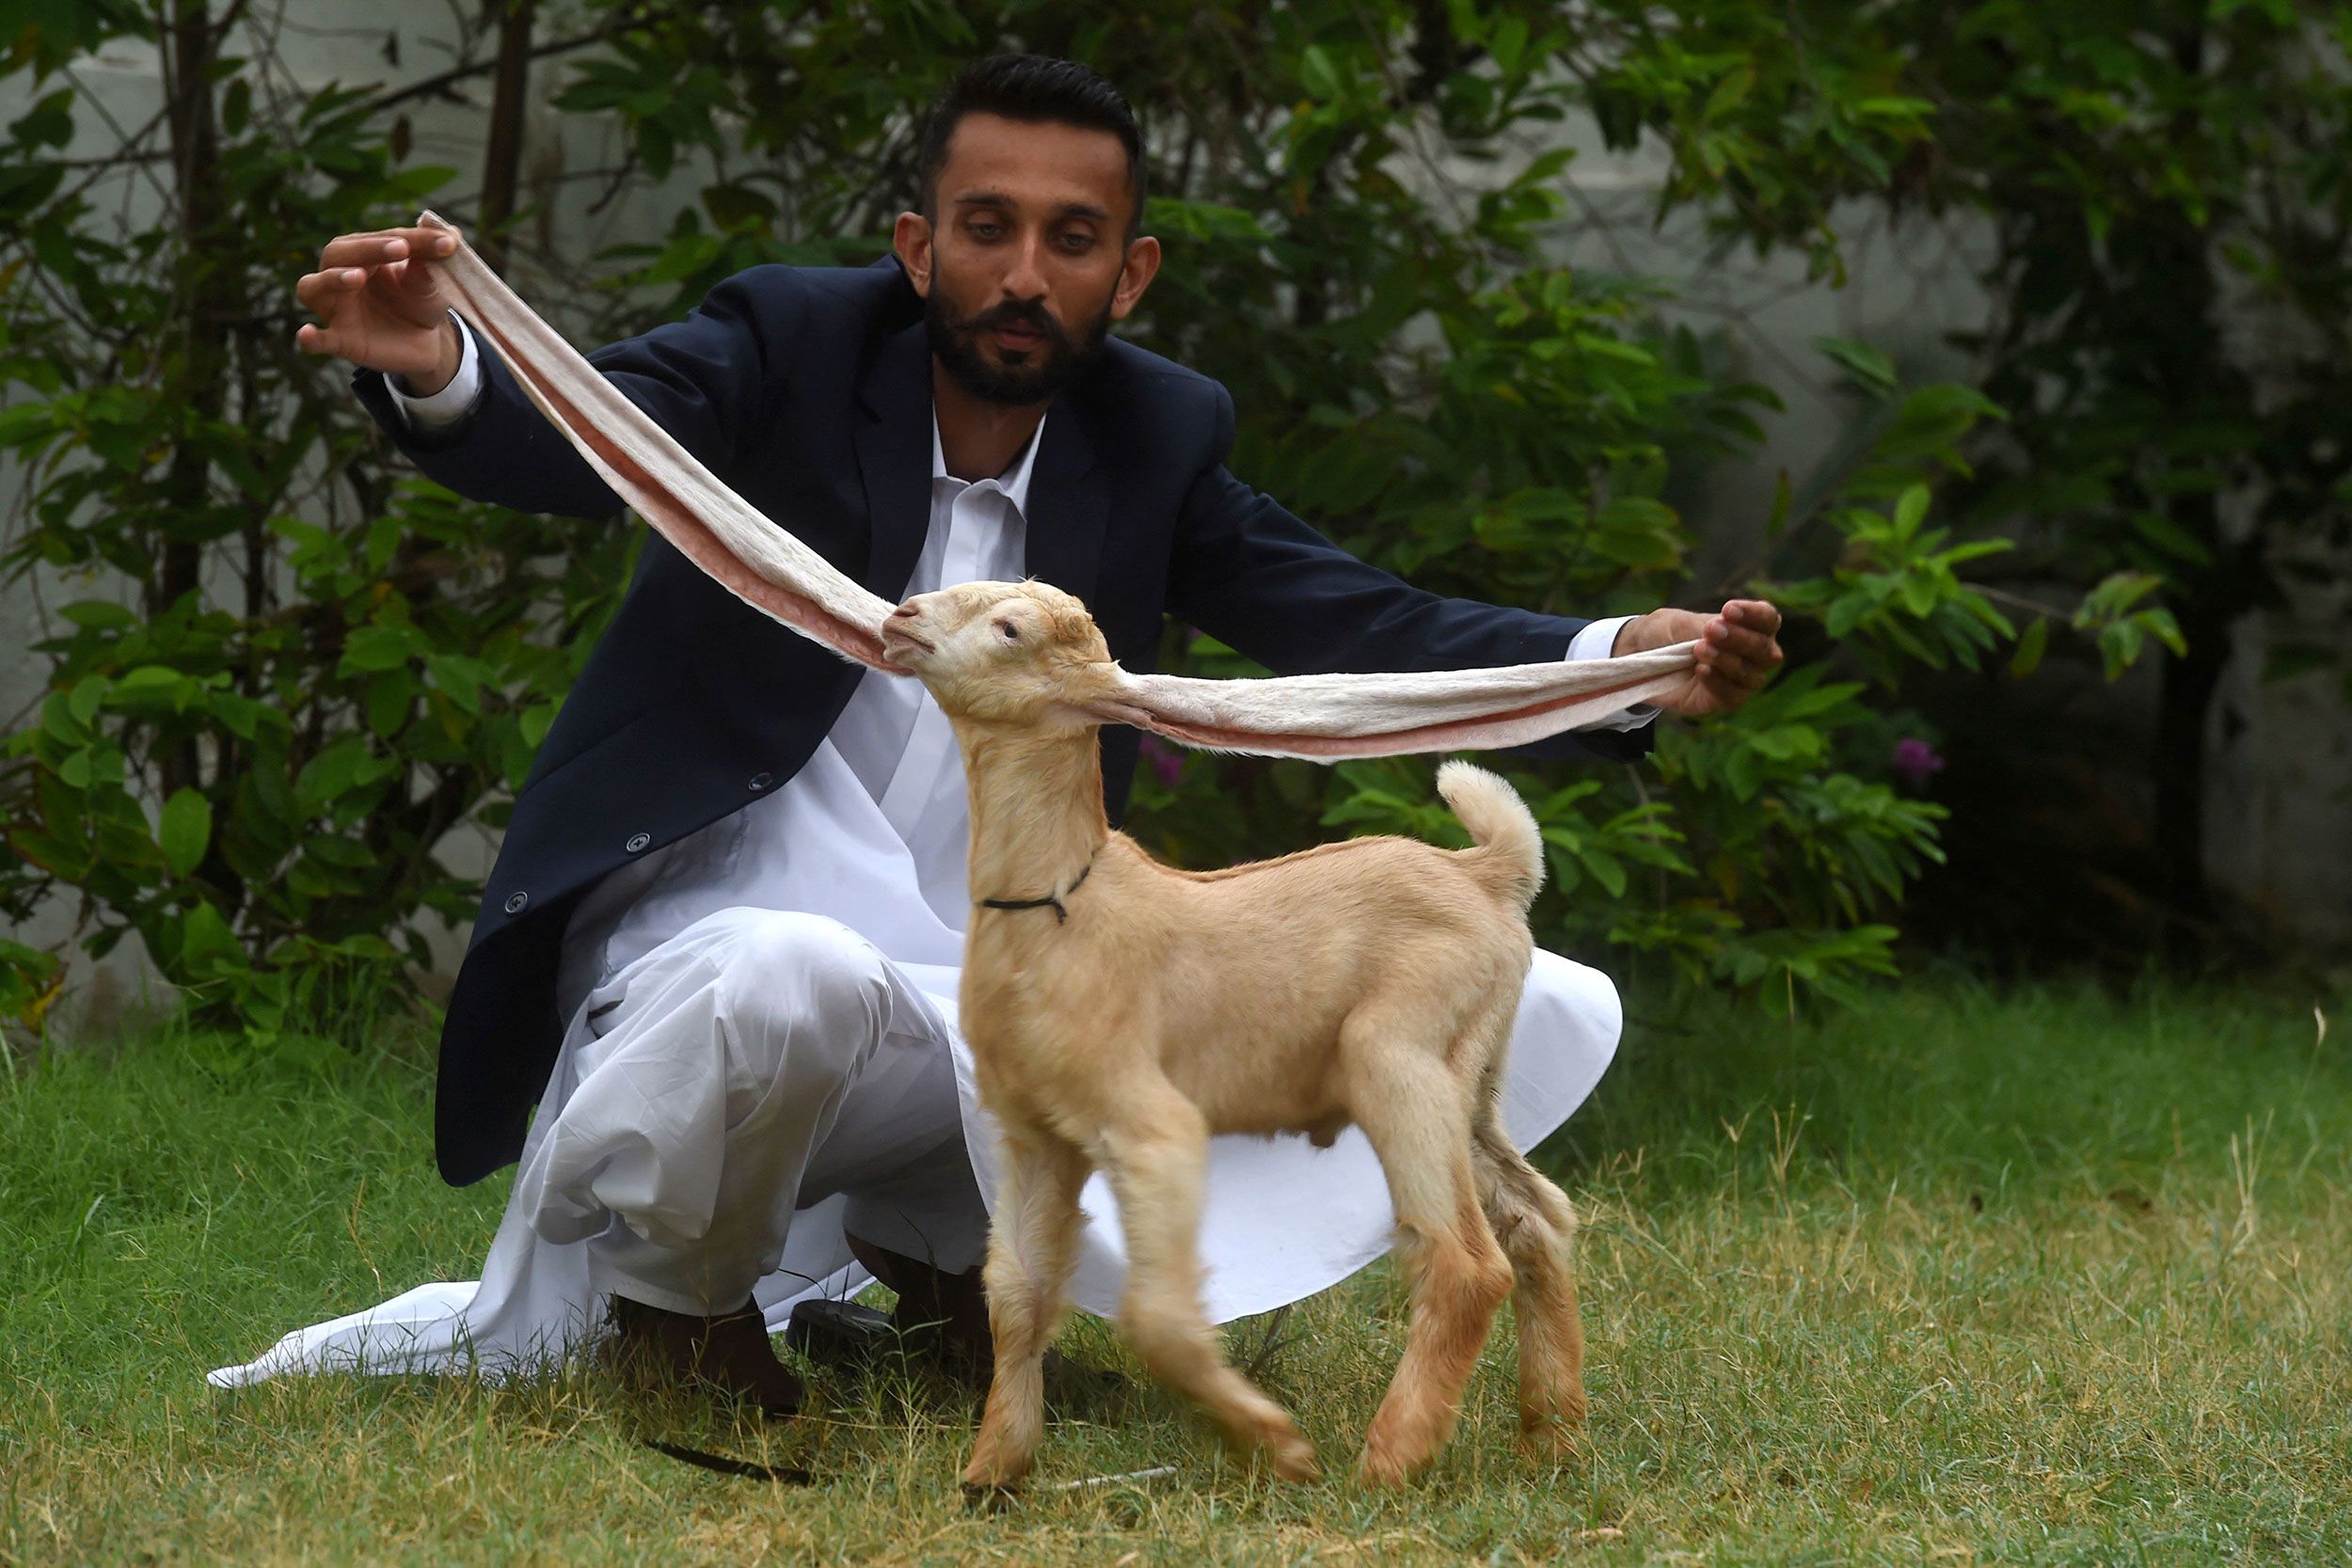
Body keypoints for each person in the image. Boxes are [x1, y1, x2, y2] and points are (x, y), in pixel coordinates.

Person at [222, 55, 1784, 1415]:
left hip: (986, 979)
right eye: (987, 230)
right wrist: (440, 364)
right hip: (711, 940)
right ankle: (675, 1313)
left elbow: (1351, 624)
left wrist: (1613, 666)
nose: (1025, 272)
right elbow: (600, 436)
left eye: (1072, 239)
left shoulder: (1158, 434)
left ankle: (931, 1271)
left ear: (1133, 272)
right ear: (918, 246)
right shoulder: (785, 344)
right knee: (786, 980)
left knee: (1276, 1001)